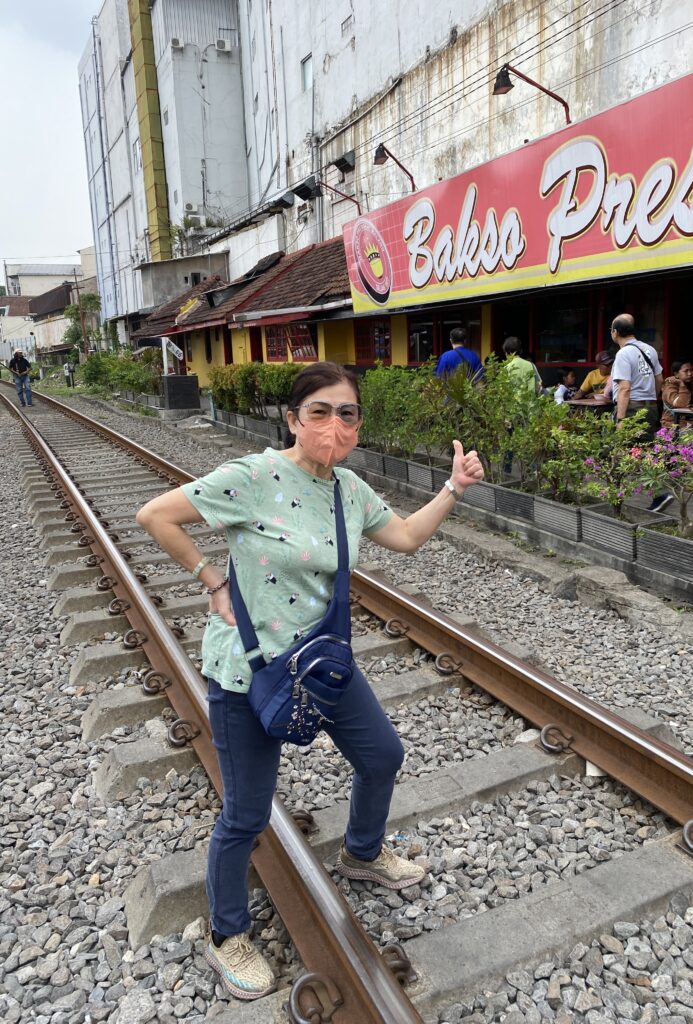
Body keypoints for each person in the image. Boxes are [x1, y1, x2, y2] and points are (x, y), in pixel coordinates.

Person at [136, 361, 484, 1001]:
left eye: (346, 413)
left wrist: (453, 488)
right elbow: (154, 515)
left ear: (357, 426)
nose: (333, 424)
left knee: (383, 756)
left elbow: (406, 536)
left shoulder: (349, 490)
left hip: (319, 663)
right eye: (319, 411)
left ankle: (362, 853)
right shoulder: (253, 477)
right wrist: (212, 581)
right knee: (246, 813)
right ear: (293, 419)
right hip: (249, 670)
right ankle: (226, 934)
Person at [610, 314, 669, 511]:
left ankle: (658, 494)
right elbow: (659, 380)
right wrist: (650, 398)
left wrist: (621, 419)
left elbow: (624, 388)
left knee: (626, 451)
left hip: (632, 408)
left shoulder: (623, 354)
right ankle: (620, 493)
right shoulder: (649, 349)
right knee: (643, 450)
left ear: (615, 332)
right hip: (650, 406)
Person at [661, 360, 693, 429]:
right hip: (672, 423)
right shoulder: (669, 387)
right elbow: (681, 403)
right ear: (676, 374)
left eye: (691, 370)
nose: (690, 373)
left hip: (692, 421)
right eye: (686, 371)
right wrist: (682, 385)